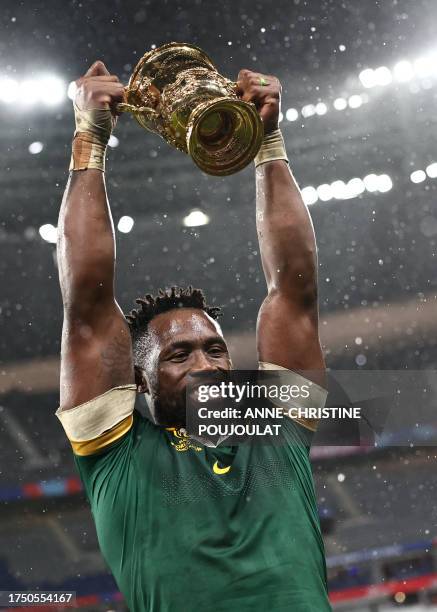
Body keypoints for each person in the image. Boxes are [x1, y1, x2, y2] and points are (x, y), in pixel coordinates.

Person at [55, 59, 332, 612]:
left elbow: (293, 291)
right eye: (178, 354)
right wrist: (90, 136)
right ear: (138, 381)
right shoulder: (116, 454)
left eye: (214, 348)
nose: (206, 363)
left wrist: (268, 140)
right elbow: (86, 301)